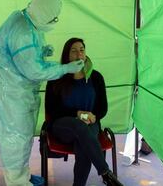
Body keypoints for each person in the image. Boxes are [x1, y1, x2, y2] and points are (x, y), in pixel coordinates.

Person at [0, 0, 84, 186]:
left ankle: (23, 176)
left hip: (18, 92)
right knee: (16, 141)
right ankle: (17, 182)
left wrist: (41, 52)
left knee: (23, 138)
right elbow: (34, 71)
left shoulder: (24, 19)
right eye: (52, 17)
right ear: (44, 14)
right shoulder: (22, 32)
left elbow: (22, 58)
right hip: (13, 97)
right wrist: (65, 68)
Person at [45, 38, 123, 186]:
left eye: (81, 50)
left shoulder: (96, 77)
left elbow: (102, 108)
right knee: (79, 127)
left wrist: (92, 117)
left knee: (84, 144)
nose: (78, 54)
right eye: (73, 51)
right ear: (67, 55)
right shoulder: (56, 77)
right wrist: (77, 113)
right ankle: (106, 173)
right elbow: (52, 110)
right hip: (62, 125)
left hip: (90, 123)